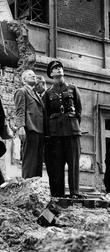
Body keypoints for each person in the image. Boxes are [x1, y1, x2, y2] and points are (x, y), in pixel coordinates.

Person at [43, 60, 82, 198]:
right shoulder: (48, 93)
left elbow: (79, 111)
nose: (58, 69)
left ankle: (74, 193)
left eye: (60, 67)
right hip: (56, 133)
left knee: (74, 162)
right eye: (55, 68)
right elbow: (46, 114)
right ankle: (59, 194)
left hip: (72, 131)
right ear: (51, 74)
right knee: (57, 164)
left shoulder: (72, 88)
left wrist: (74, 125)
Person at [14, 69, 45, 178]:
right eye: (30, 75)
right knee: (29, 160)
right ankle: (27, 185)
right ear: (24, 80)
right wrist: (21, 127)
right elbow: (20, 111)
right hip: (30, 128)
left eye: (34, 75)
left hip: (39, 130)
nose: (33, 76)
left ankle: (36, 186)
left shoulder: (36, 93)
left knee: (38, 161)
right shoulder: (21, 91)